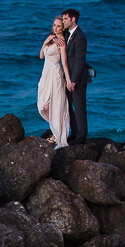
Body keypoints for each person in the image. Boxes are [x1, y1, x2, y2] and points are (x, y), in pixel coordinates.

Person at [37, 17, 72, 147]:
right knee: (42, 106)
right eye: (54, 25)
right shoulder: (51, 39)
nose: (56, 28)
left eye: (58, 26)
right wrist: (45, 42)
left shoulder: (61, 42)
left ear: (63, 28)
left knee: (52, 105)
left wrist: (68, 80)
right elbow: (41, 55)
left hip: (55, 75)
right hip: (45, 75)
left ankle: (57, 134)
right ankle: (55, 130)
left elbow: (64, 62)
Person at [61, 8, 91, 145]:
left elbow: (80, 60)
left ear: (73, 19)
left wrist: (73, 81)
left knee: (79, 109)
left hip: (77, 79)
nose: (63, 21)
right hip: (68, 79)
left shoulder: (80, 37)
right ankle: (74, 131)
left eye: (65, 19)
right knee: (66, 105)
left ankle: (81, 137)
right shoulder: (67, 34)